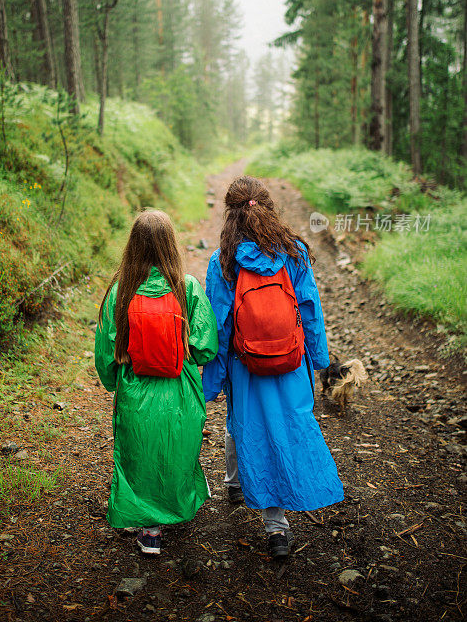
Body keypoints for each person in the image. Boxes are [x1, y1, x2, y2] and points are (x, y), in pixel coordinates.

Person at [202, 176, 343, 559]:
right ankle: (277, 529)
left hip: (245, 364)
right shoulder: (294, 252)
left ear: (231, 215)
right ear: (269, 208)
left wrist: (210, 382)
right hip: (291, 362)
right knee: (286, 426)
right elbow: (310, 311)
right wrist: (320, 362)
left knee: (245, 423)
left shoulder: (224, 261)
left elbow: (218, 325)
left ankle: (237, 484)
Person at [95, 210, 218, 556]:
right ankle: (181, 501)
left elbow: (107, 352)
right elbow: (206, 346)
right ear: (170, 244)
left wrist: (112, 379)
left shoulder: (120, 292)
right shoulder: (187, 286)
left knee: (140, 454)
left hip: (136, 390)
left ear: (132, 246)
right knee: (177, 447)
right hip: (179, 389)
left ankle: (149, 531)